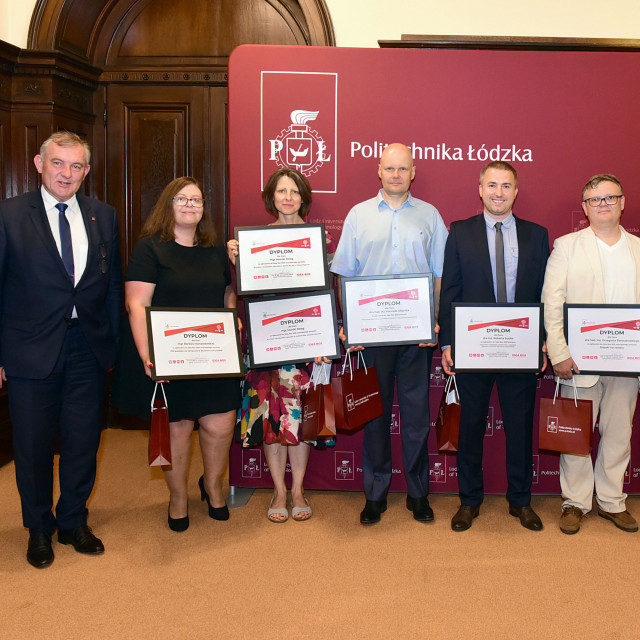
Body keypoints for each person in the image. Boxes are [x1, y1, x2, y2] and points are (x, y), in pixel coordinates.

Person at [0, 131, 122, 568]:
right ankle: (39, 528)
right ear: (39, 163)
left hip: (87, 347)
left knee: (83, 441)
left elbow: (110, 285)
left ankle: (72, 520)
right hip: (29, 349)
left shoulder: (103, 215)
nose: (66, 173)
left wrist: (112, 347)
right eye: (58, 163)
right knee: (32, 445)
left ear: (86, 171)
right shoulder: (9, 215)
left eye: (75, 166)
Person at [112, 177, 240, 532]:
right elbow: (136, 304)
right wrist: (147, 355)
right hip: (172, 357)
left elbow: (227, 293)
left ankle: (213, 486)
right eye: (181, 199)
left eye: (196, 200)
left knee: (220, 424)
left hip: (214, 355)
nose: (189, 205)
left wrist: (233, 321)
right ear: (168, 205)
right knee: (178, 427)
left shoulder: (215, 249)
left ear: (204, 208)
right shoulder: (150, 248)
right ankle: (179, 497)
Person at [330, 143, 448, 525]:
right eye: (389, 168)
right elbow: (345, 273)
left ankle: (418, 493)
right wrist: (350, 325)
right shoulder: (358, 215)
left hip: (416, 336)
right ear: (378, 171)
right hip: (372, 336)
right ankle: (376, 493)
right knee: (374, 415)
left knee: (416, 416)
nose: (396, 175)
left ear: (413, 172)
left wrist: (434, 320)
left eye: (403, 169)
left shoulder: (430, 216)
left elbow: (439, 275)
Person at [439, 161, 549, 532]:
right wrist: (448, 342)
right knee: (470, 427)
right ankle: (469, 501)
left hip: (520, 348)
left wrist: (543, 343)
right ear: (480, 189)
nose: (498, 192)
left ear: (516, 191)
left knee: (519, 428)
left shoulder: (537, 235)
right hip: (474, 348)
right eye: (492, 185)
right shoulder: (460, 232)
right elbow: (450, 291)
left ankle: (520, 502)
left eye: (506, 186)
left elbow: (543, 296)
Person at [228, 167, 335, 523]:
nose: (287, 197)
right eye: (281, 191)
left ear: (303, 196)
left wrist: (325, 338)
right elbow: (248, 292)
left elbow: (327, 294)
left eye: (294, 191)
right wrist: (240, 260)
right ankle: (278, 489)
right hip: (267, 344)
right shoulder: (253, 242)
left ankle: (299, 488)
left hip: (306, 343)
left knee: (300, 421)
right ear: (271, 198)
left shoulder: (320, 241)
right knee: (272, 422)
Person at [541, 173, 640, 535]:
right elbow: (551, 303)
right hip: (578, 362)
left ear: (622, 202)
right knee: (575, 435)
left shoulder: (638, 249)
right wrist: (558, 352)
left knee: (618, 434)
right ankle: (576, 503)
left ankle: (612, 501)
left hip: (628, 363)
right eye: (595, 200)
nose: (603, 205)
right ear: (584, 207)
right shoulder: (567, 246)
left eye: (609, 198)